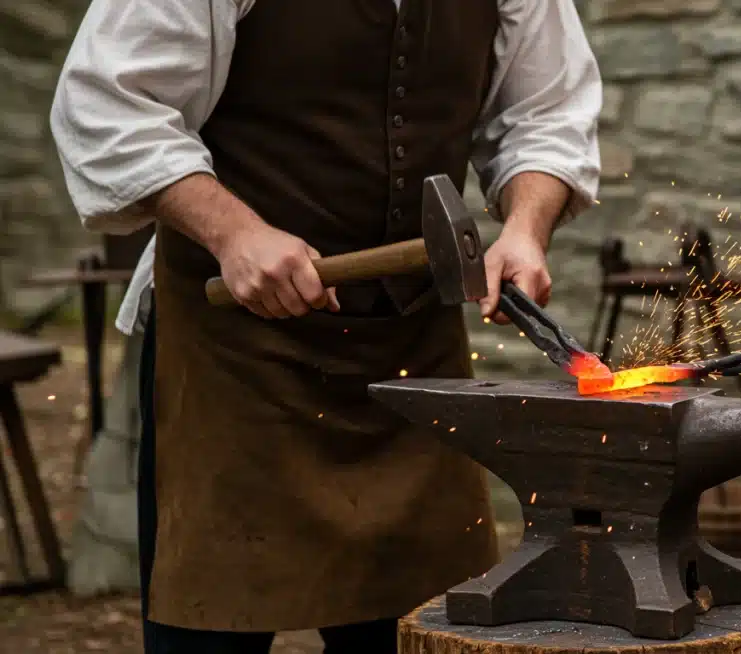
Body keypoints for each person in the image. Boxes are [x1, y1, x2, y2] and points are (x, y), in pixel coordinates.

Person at [49, 0, 601, 651]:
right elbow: (107, 103)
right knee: (209, 634)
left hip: (412, 359)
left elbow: (546, 113)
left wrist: (524, 230)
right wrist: (235, 232)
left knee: (417, 633)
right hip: (235, 360)